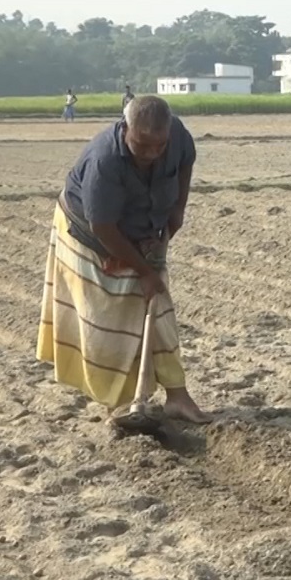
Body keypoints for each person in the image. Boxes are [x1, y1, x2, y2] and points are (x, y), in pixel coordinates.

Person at [37, 95, 211, 426]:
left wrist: (177, 212)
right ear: (125, 128)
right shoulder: (105, 160)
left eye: (159, 146)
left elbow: (186, 162)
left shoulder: (178, 137)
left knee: (158, 306)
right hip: (89, 235)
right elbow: (102, 225)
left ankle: (177, 396)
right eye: (142, 145)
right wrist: (144, 271)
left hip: (142, 230)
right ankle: (119, 402)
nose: (151, 154)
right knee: (107, 321)